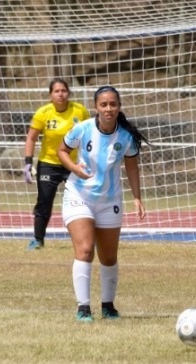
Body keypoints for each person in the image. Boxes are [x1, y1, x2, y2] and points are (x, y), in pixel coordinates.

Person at [57, 85, 148, 322]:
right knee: (85, 250)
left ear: (119, 107)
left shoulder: (126, 137)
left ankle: (108, 306)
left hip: (110, 201)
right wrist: (74, 167)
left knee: (108, 257)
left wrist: (137, 197)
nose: (108, 109)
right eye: (103, 104)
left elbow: (131, 166)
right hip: (79, 197)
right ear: (96, 107)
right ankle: (83, 308)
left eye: (113, 104)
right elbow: (62, 150)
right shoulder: (83, 129)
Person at [23, 78, 90, 250]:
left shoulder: (80, 111)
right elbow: (31, 138)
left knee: (83, 200)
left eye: (63, 91)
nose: (60, 94)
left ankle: (86, 238)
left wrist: (89, 159)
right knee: (44, 201)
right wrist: (28, 163)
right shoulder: (43, 113)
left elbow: (90, 134)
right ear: (50, 95)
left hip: (73, 164)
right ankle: (38, 240)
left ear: (68, 93)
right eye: (56, 91)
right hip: (49, 163)